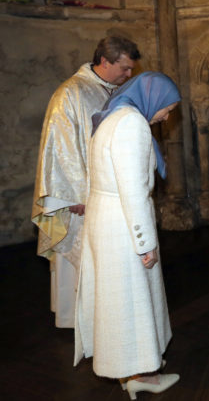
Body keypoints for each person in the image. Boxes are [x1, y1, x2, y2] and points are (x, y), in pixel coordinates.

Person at [74, 72, 181, 399]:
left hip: (105, 220)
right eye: (167, 107)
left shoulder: (112, 116)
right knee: (132, 302)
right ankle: (142, 376)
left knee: (119, 302)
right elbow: (132, 190)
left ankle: (131, 370)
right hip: (122, 225)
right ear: (154, 97)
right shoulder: (132, 123)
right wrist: (145, 242)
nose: (167, 116)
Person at [32, 36, 140, 328]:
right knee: (80, 259)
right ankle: (77, 319)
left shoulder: (112, 90)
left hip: (108, 196)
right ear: (105, 61)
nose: (129, 74)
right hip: (82, 200)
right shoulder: (71, 92)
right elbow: (60, 146)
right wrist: (76, 195)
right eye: (125, 68)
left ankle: (103, 317)